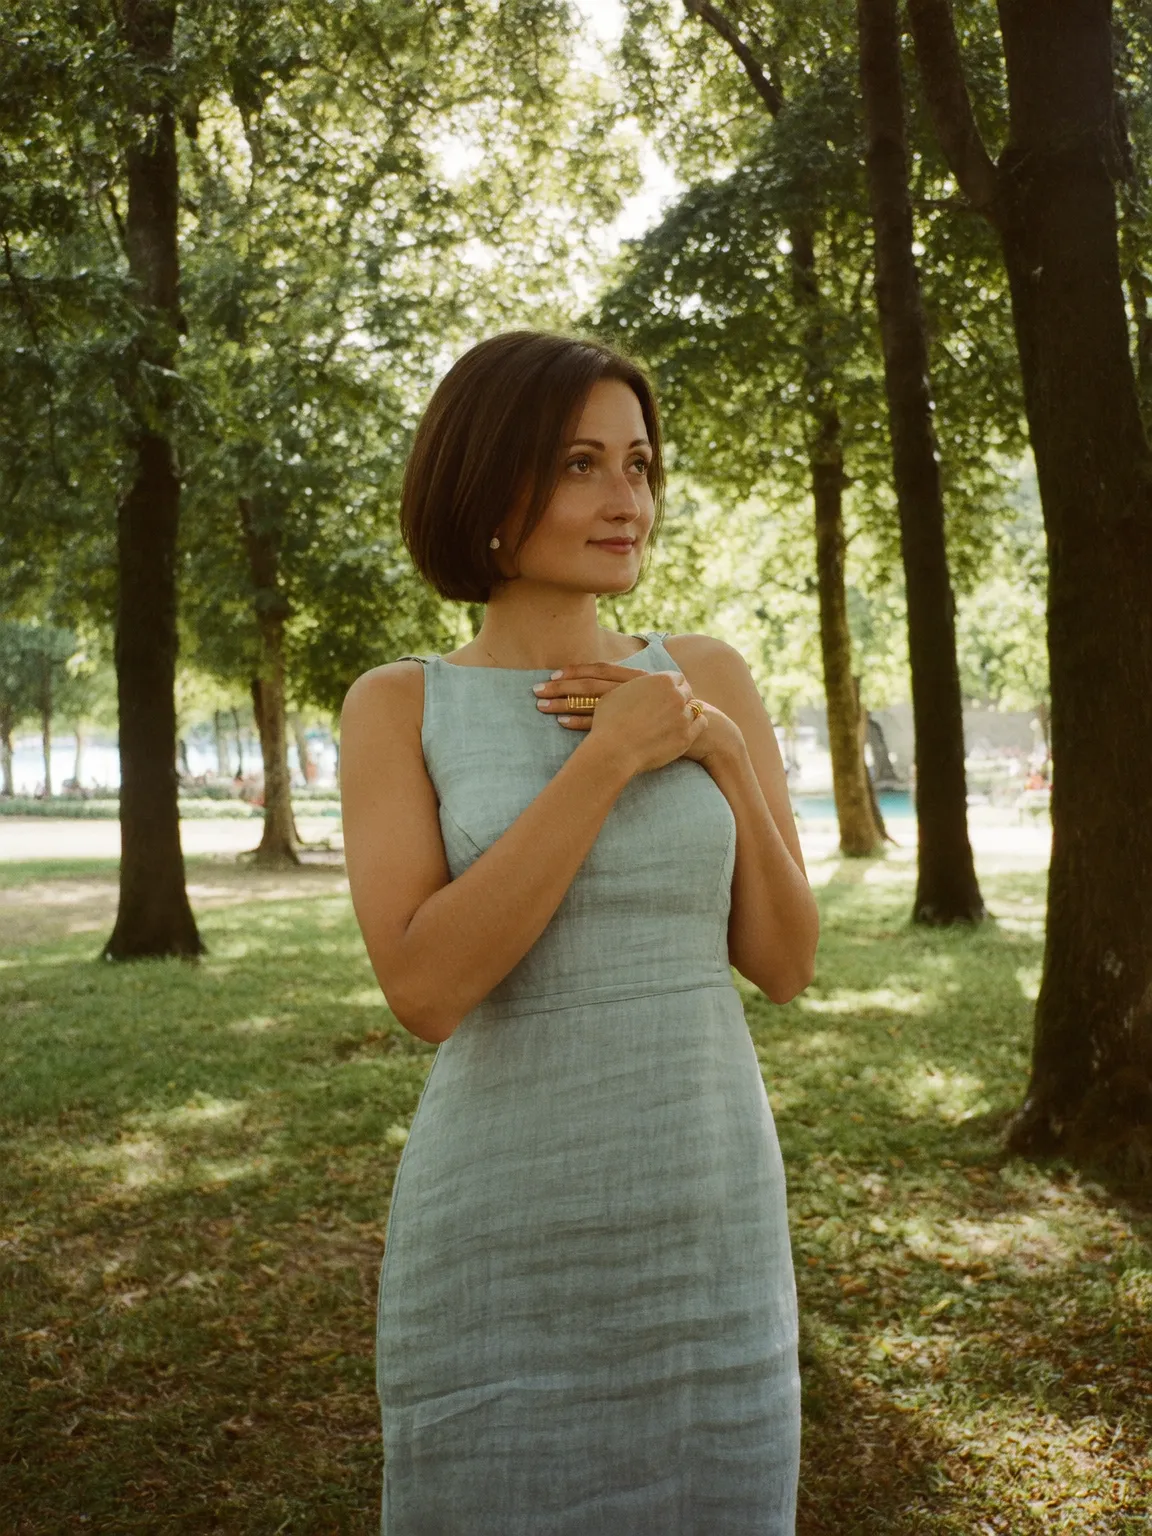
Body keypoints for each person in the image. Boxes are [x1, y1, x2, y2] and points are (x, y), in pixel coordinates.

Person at [339, 330, 820, 1535]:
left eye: (641, 464)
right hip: (504, 1231)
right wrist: (605, 761)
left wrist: (707, 739)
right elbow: (427, 990)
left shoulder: (706, 675)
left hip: (709, 1216)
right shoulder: (400, 705)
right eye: (580, 464)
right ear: (488, 485)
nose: (628, 500)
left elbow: (786, 961)